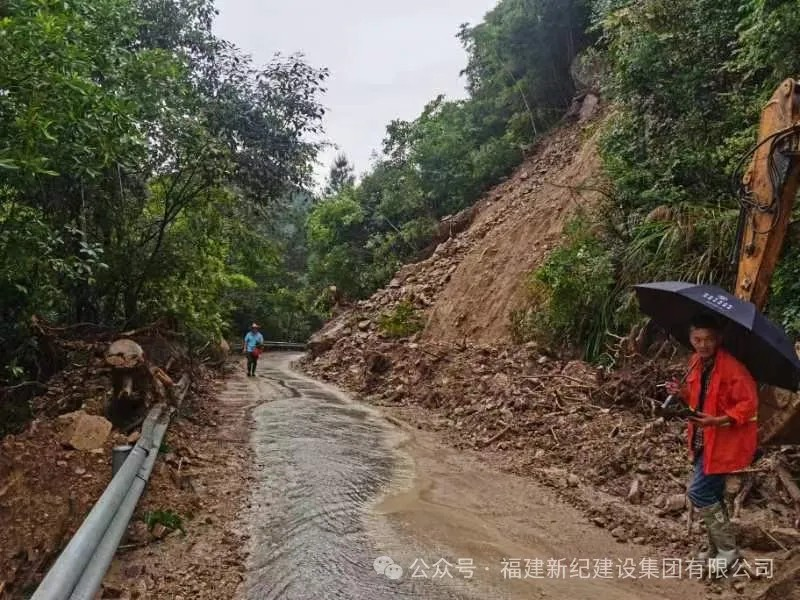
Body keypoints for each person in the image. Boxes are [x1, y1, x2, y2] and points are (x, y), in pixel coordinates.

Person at [665, 314, 758, 573]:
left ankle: (729, 550)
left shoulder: (732, 368)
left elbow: (749, 406)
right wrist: (681, 393)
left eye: (708, 339)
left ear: (718, 340)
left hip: (723, 441)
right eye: (697, 339)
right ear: (690, 339)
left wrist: (718, 420)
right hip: (700, 439)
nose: (703, 345)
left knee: (699, 492)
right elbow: (697, 400)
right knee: (714, 494)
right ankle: (715, 549)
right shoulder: (695, 363)